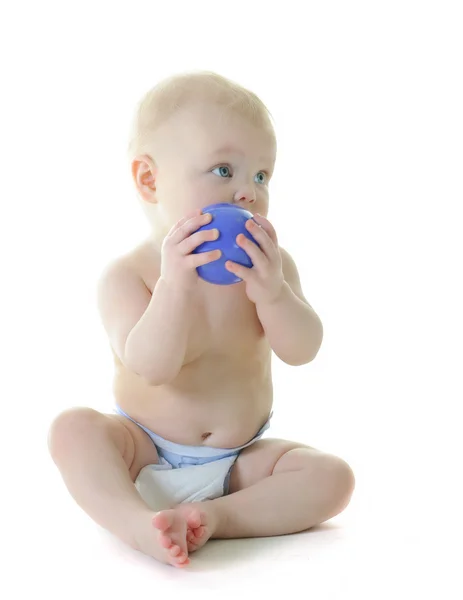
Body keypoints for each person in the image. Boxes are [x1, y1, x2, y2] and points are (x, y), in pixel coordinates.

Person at [48, 71, 355, 568]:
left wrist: (275, 296)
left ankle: (217, 518)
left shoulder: (270, 268)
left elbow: (303, 350)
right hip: (141, 450)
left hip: (238, 464)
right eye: (223, 170)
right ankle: (134, 523)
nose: (248, 193)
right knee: (73, 430)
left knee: (332, 478)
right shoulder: (129, 276)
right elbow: (151, 366)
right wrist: (174, 288)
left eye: (261, 176)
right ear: (151, 180)